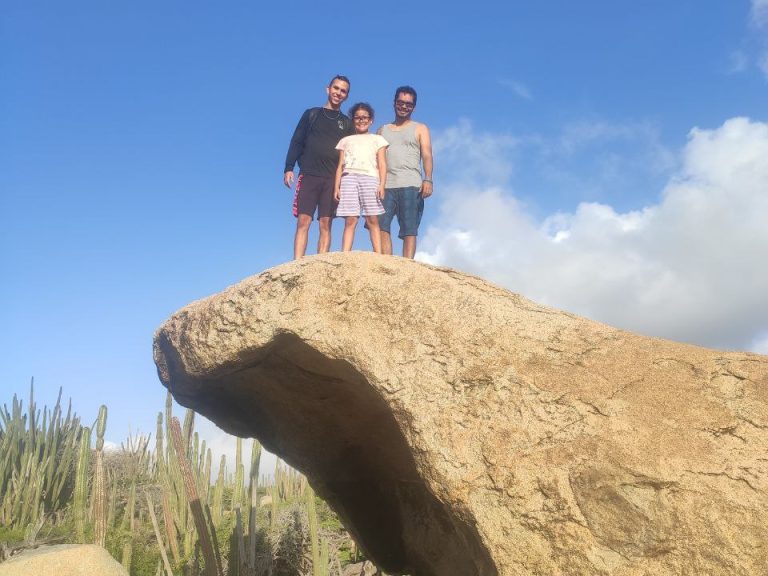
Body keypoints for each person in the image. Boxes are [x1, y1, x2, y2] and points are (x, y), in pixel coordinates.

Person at [283, 75, 355, 259]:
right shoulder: (311, 114)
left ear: (347, 96)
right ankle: (297, 264)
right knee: (303, 221)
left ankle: (320, 263)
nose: (338, 93)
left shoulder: (347, 123)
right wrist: (289, 167)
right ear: (328, 89)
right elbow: (297, 140)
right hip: (309, 174)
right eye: (336, 88)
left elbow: (352, 151)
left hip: (332, 178)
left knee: (325, 223)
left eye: (343, 91)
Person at [377, 86, 433, 259]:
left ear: (413, 107)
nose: (404, 106)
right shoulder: (382, 130)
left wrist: (428, 179)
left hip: (411, 183)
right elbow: (376, 159)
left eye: (408, 104)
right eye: (400, 102)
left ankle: (407, 267)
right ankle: (387, 264)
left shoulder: (420, 128)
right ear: (394, 103)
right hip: (386, 185)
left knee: (410, 229)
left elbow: (426, 154)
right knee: (380, 226)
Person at [333, 103, 389, 253]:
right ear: (353, 120)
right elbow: (340, 166)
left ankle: (378, 254)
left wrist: (382, 184)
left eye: (364, 117)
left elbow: (382, 164)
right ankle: (345, 253)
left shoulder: (378, 139)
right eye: (357, 118)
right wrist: (336, 187)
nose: (361, 120)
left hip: (370, 178)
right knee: (350, 219)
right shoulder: (345, 141)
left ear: (371, 120)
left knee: (372, 218)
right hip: (349, 178)